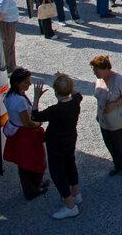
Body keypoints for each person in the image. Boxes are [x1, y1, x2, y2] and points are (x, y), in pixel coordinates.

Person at [32, 74, 83, 219]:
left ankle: (70, 206)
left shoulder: (54, 110)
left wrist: (36, 97)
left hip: (56, 144)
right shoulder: (75, 101)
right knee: (70, 164)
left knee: (57, 172)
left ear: (55, 92)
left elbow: (34, 116)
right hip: (70, 139)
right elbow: (77, 93)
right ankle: (76, 194)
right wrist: (64, 80)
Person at [2, 68, 49, 200]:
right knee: (35, 160)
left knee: (24, 162)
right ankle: (32, 189)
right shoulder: (20, 100)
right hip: (26, 135)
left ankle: (33, 187)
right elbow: (28, 123)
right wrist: (39, 123)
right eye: (26, 82)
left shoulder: (10, 96)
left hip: (17, 133)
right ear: (17, 83)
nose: (29, 84)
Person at [91, 55, 122, 180]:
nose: (94, 72)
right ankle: (118, 165)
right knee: (110, 144)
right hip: (104, 120)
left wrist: (114, 105)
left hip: (118, 121)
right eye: (93, 70)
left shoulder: (118, 79)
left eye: (96, 70)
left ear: (105, 68)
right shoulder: (100, 79)